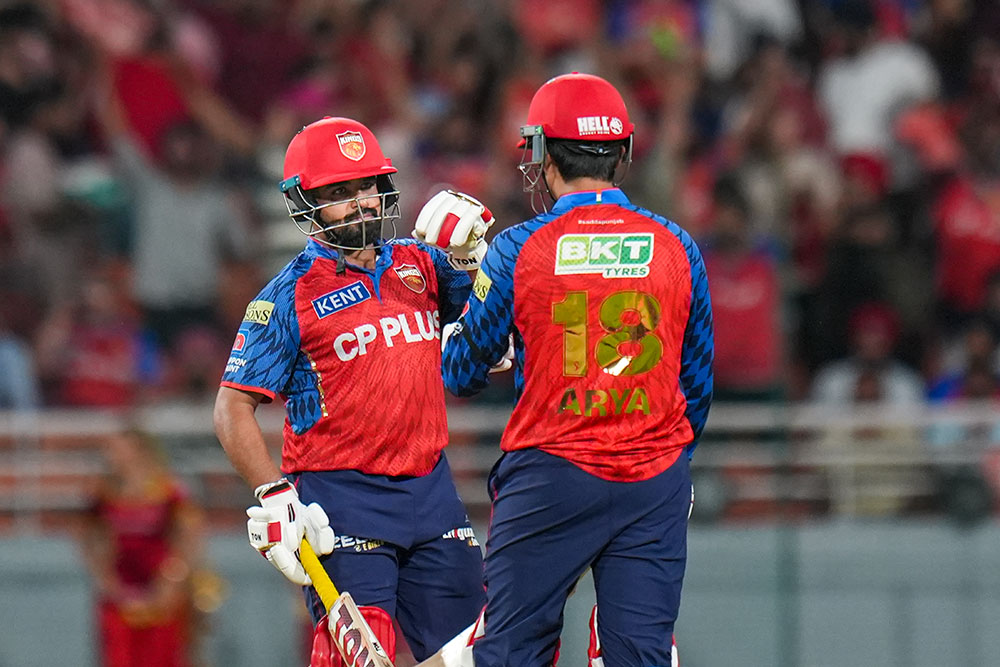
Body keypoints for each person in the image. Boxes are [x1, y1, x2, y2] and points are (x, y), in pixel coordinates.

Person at [440, 72, 713, 667]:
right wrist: (664, 464)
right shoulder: (678, 245)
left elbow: (460, 373)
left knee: (510, 652)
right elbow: (695, 384)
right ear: (624, 152)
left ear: (540, 154)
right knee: (639, 656)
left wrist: (459, 279)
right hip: (654, 474)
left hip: (550, 476)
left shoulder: (516, 248)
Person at [212, 116, 491, 664]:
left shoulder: (422, 263)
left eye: (366, 186)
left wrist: (477, 253)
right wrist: (272, 492)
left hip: (431, 491)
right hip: (341, 501)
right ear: (305, 204)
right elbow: (231, 408)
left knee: (482, 653)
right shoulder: (286, 296)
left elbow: (497, 319)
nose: (361, 202)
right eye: (340, 192)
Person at [81, 429, 207, 667]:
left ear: (139, 450)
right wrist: (105, 579)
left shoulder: (167, 489)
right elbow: (85, 534)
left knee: (163, 658)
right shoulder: (103, 491)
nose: (111, 455)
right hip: (121, 592)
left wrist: (174, 577)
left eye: (118, 448)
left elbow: (190, 535)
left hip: (163, 590)